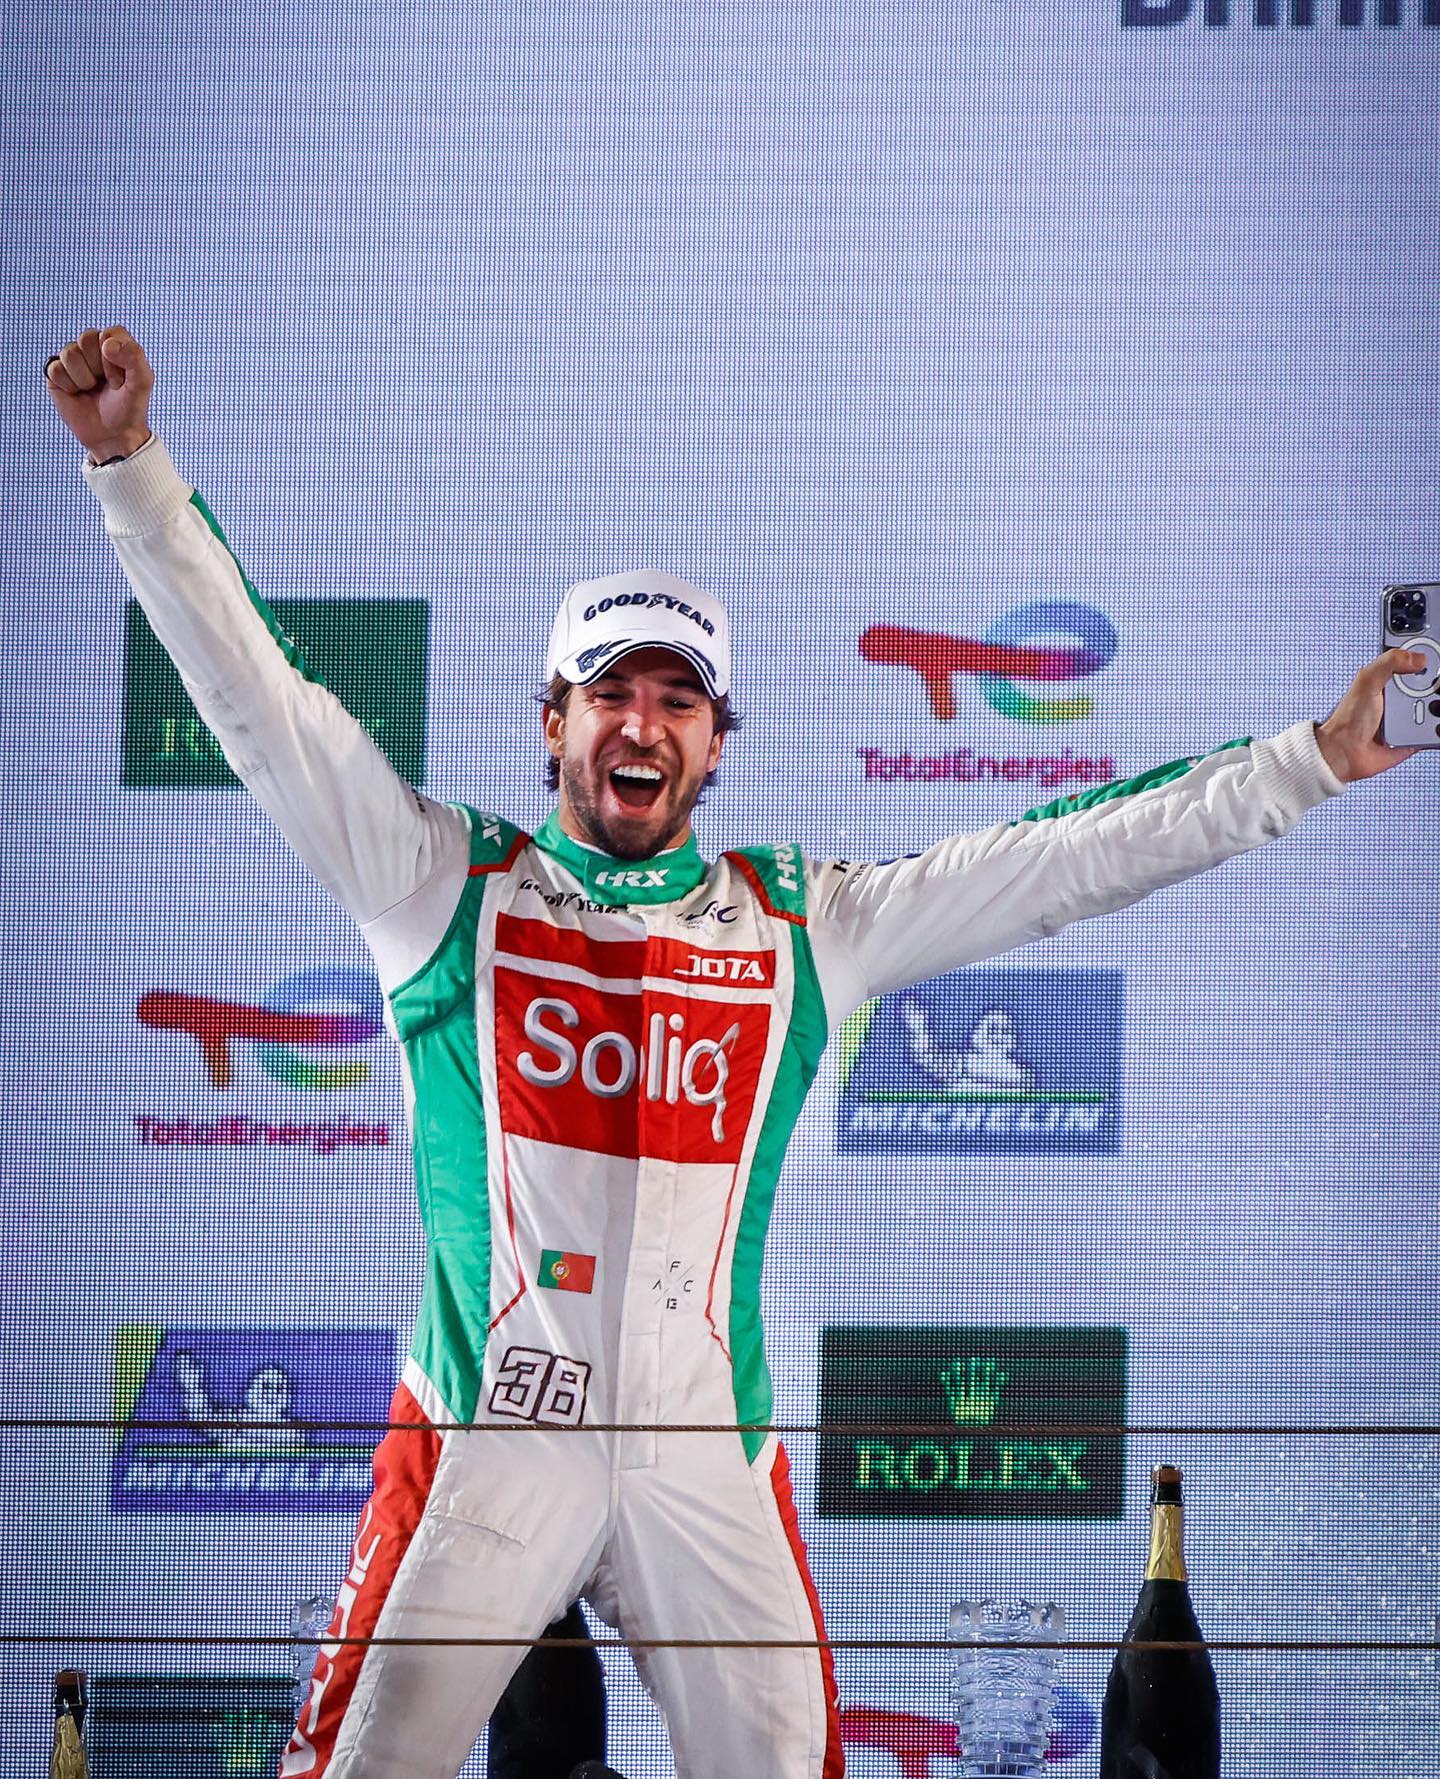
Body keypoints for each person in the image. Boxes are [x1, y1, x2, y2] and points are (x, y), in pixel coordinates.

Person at [47, 325, 1422, 1779]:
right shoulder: (441, 884)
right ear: (554, 723)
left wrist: (1314, 760)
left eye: (677, 700)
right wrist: (131, 466)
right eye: (610, 693)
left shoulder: (795, 925)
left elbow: (1062, 858)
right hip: (490, 1439)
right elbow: (265, 709)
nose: (640, 723)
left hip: (708, 1454)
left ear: (715, 745)